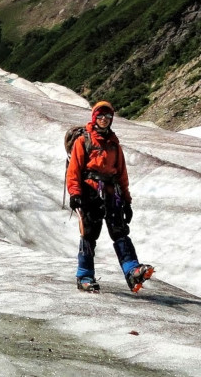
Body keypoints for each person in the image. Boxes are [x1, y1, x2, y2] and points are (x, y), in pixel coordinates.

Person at [66, 101, 155, 293]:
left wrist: (127, 201)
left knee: (120, 232)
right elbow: (74, 170)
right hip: (90, 193)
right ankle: (84, 276)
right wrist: (75, 194)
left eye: (107, 116)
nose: (104, 119)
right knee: (89, 235)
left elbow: (121, 174)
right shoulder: (84, 141)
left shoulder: (114, 144)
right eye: (100, 116)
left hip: (112, 194)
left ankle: (132, 271)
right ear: (94, 117)